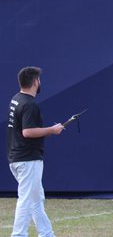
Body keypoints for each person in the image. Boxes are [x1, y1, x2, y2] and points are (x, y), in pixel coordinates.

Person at [7, 67, 65, 237]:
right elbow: (28, 132)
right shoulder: (29, 104)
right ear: (34, 82)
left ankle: (47, 233)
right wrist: (52, 130)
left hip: (17, 158)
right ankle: (18, 235)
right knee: (26, 200)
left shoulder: (16, 99)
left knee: (36, 199)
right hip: (27, 160)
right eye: (39, 80)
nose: (40, 82)